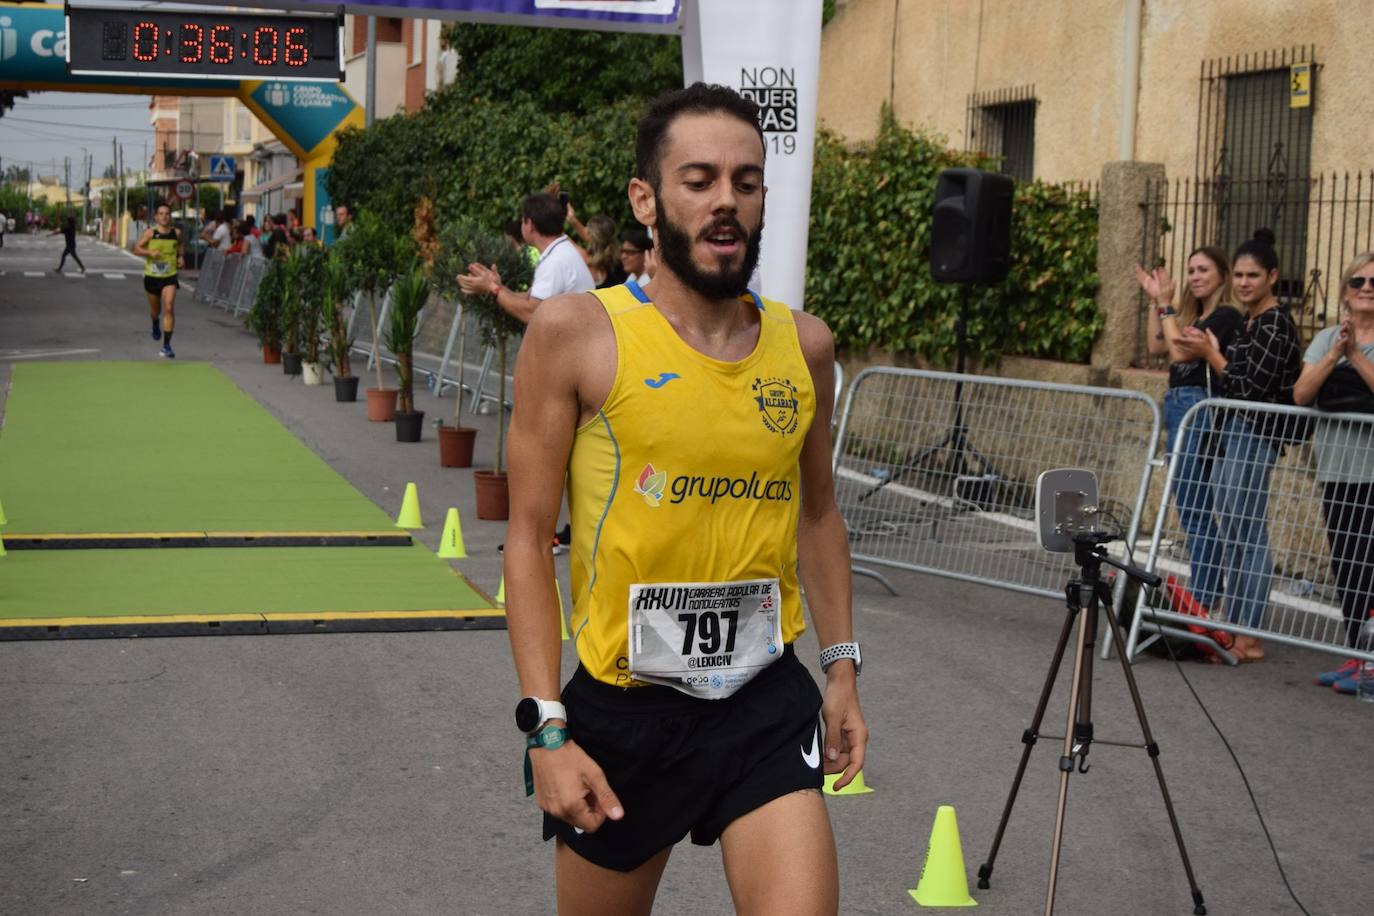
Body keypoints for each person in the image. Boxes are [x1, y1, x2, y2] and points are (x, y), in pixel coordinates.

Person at [503, 83, 867, 915]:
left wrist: (842, 669)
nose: (725, 201)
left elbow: (817, 514)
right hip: (625, 714)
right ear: (647, 198)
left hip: (763, 703)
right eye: (698, 180)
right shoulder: (573, 336)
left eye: (745, 181)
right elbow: (526, 541)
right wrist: (547, 729)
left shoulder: (804, 347)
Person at [1177, 229, 1302, 662]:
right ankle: (1233, 622)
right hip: (1234, 433)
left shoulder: (1275, 324)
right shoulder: (1249, 323)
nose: (1245, 282)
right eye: (1242, 275)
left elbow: (1247, 388)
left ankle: (1249, 631)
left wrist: (1214, 357)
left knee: (1247, 532)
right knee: (1232, 528)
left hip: (1256, 434)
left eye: (1254, 275)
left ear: (1272, 277)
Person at [1136, 248, 1244, 621]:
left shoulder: (1226, 316)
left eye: (1204, 270)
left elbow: (1181, 354)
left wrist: (1166, 306)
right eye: (1191, 270)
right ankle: (1204, 598)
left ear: (1223, 276)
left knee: (1196, 507)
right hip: (1179, 405)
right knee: (1190, 505)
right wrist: (1157, 302)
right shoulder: (1194, 315)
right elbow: (1156, 346)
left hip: (1198, 408)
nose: (1195, 276)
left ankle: (1201, 600)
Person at [1294, 251, 1374, 691]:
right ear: (1345, 291)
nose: (1366, 289)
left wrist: (1357, 356)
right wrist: (1335, 354)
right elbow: (1302, 393)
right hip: (1336, 470)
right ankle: (1358, 652)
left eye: (1373, 283)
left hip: (1372, 472)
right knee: (1348, 566)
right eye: (1358, 282)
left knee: (1373, 566)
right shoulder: (1326, 337)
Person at [457, 192, 595, 325]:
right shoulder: (560, 251)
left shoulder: (555, 261)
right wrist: (497, 286)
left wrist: (492, 288)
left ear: (529, 225)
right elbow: (529, 298)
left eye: (522, 220)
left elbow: (532, 313)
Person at [132, 202, 184, 358]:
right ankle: (155, 323)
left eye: (167, 213)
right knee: (156, 312)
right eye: (161, 214)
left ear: (170, 216)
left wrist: (180, 256)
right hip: (152, 277)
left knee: (169, 307)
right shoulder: (150, 233)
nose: (164, 216)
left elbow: (180, 245)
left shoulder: (176, 232)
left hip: (170, 276)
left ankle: (166, 346)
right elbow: (136, 249)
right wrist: (149, 252)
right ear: (156, 217)